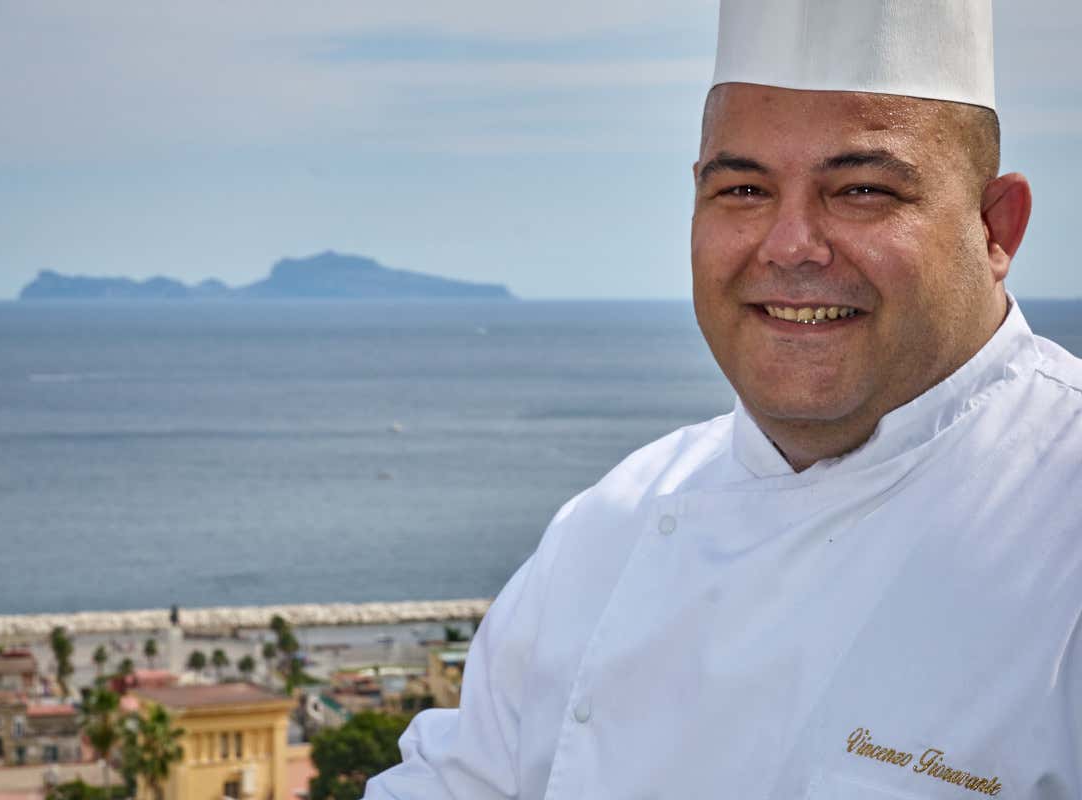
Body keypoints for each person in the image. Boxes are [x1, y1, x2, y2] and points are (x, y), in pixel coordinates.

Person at [365, 0, 1082, 797]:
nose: (790, 246)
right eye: (743, 189)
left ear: (996, 230)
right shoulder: (610, 526)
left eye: (863, 190)